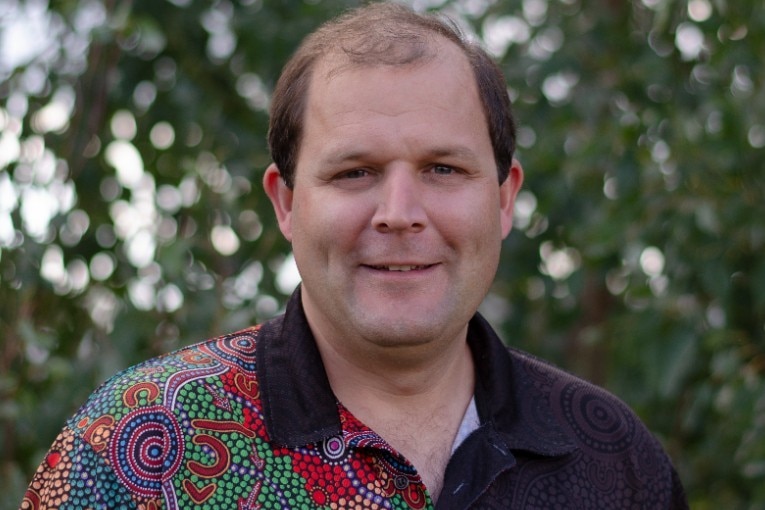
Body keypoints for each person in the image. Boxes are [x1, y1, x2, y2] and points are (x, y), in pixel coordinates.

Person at [20, 3, 688, 509]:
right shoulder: (136, 448)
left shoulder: (614, 460)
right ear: (285, 203)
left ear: (504, 198)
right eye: (354, 173)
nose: (399, 212)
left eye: (443, 169)